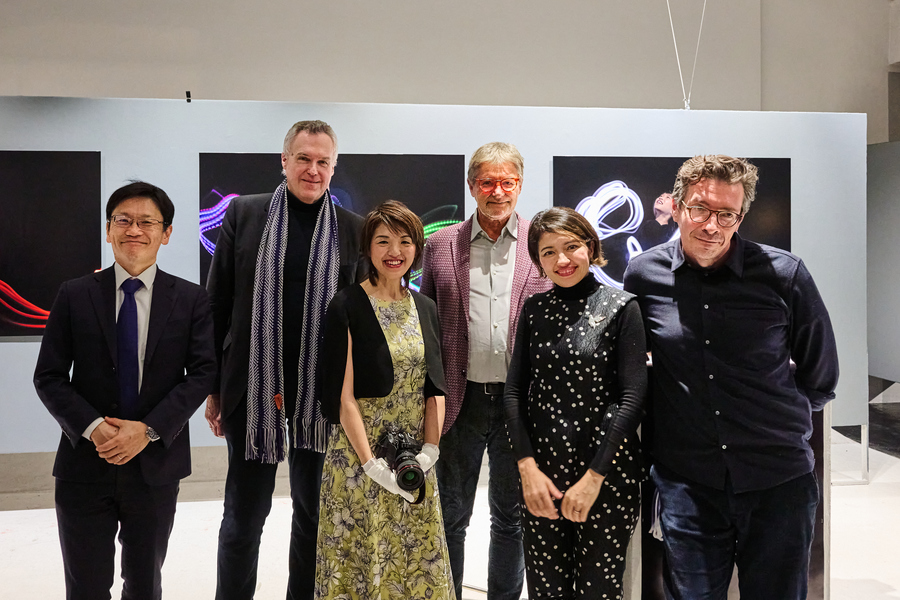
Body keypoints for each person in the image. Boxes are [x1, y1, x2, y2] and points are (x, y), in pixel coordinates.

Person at [623, 155, 839, 600]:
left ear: (741, 217)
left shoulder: (784, 274)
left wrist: (774, 419)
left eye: (727, 215)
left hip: (777, 481)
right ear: (677, 207)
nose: (712, 225)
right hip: (689, 484)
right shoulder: (643, 274)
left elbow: (821, 374)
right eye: (700, 209)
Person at [205, 120, 366, 600]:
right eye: (303, 159)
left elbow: (362, 319)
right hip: (253, 388)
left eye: (322, 162)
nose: (313, 170)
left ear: (333, 167)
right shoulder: (244, 214)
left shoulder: (354, 229)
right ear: (284, 161)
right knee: (243, 516)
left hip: (323, 396)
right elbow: (218, 303)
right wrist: (214, 388)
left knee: (315, 515)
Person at [33, 181, 217, 600]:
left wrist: (148, 430)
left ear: (165, 233)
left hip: (155, 468)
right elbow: (49, 376)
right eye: (124, 220)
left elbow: (202, 373)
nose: (134, 230)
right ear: (108, 230)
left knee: (145, 585)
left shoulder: (191, 299)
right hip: (85, 464)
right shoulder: (74, 294)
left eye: (147, 222)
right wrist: (94, 427)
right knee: (85, 587)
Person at [421, 142, 550, 600]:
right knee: (451, 517)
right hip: (460, 401)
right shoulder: (439, 245)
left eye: (507, 182)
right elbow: (427, 325)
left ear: (520, 185)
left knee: (511, 519)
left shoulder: (542, 242)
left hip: (521, 403)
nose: (498, 191)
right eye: (487, 182)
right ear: (471, 186)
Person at [504, 207, 647, 599]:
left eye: (571, 247)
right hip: (542, 477)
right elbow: (514, 392)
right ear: (538, 261)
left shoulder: (622, 307)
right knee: (545, 590)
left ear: (591, 247)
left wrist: (594, 477)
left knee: (598, 590)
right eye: (548, 252)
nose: (562, 260)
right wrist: (527, 469)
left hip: (605, 474)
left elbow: (633, 398)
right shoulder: (534, 310)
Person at [316, 200, 455, 599]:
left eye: (405, 241)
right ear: (368, 248)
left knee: (416, 559)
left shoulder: (425, 307)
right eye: (383, 241)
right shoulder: (347, 305)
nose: (395, 251)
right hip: (359, 457)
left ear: (417, 248)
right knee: (359, 560)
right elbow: (343, 397)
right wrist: (371, 465)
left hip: (412, 458)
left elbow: (435, 388)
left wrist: (429, 451)